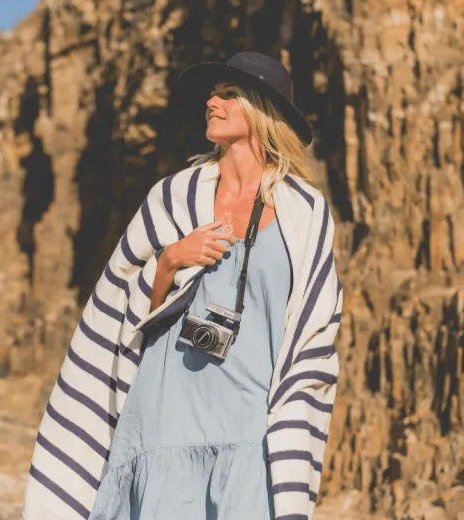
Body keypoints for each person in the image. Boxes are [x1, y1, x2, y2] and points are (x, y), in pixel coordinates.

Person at [22, 51, 343, 520]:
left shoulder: (305, 212)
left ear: (262, 109)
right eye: (213, 93)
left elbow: (314, 328)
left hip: (251, 420)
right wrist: (171, 261)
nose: (212, 101)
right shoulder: (173, 196)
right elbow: (124, 311)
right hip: (164, 411)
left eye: (229, 94)